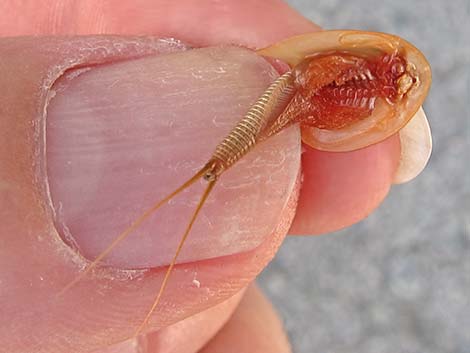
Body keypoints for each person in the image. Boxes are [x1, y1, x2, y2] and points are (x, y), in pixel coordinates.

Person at [0, 1, 427, 352]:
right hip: (301, 88)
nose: (401, 77)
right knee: (252, 132)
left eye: (404, 81)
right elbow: (313, 74)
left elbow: (335, 113)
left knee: (244, 144)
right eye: (399, 71)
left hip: (306, 102)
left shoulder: (372, 97)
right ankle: (208, 171)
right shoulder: (359, 65)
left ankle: (208, 172)